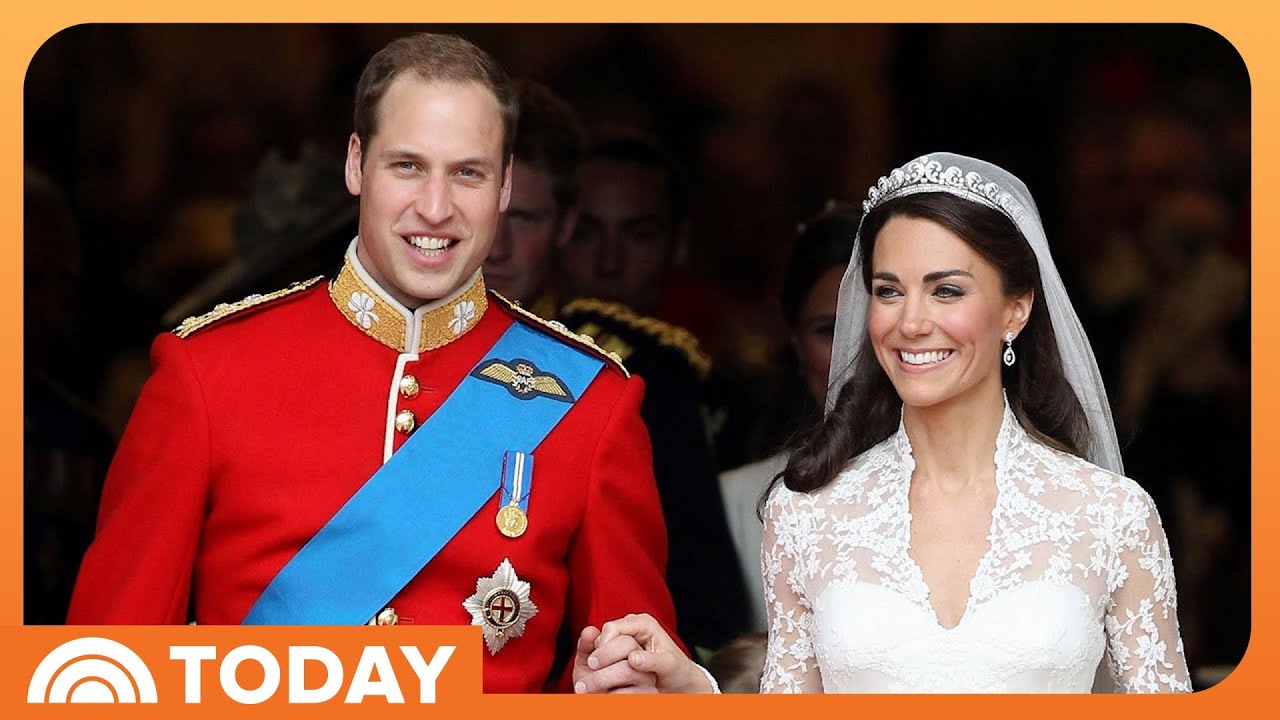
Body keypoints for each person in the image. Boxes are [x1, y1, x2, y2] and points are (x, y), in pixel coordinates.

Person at [67, 32, 681, 694]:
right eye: (407, 166)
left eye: (467, 173)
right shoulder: (208, 373)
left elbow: (635, 681)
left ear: (504, 185)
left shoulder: (590, 404)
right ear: (357, 165)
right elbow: (106, 674)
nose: (436, 209)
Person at [574, 152, 1192, 694]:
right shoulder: (806, 513)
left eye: (946, 291)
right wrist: (694, 693)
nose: (911, 323)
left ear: (1016, 308)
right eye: (889, 290)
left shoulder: (1112, 515)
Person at [557, 133, 750, 652]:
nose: (610, 262)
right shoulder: (517, 370)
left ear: (678, 244)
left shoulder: (704, 387)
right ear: (557, 233)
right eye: (586, 234)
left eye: (638, 235)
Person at [717, 202, 859, 633]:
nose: (851, 354)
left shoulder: (972, 488)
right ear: (795, 343)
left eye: (867, 326)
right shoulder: (737, 500)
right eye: (828, 331)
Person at [482, 80, 584, 318]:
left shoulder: (595, 341)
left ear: (565, 225)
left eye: (522, 219)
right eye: (482, 214)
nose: (496, 250)